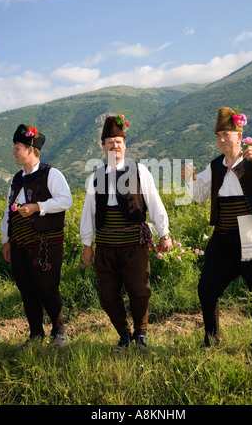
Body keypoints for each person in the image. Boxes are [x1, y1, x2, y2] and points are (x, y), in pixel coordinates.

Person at [182, 107, 252, 360]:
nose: (222, 139)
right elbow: (199, 196)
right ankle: (211, 338)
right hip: (224, 235)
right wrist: (189, 179)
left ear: (239, 135)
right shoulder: (215, 167)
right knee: (207, 288)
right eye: (218, 135)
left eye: (227, 134)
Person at [80, 114, 172, 350]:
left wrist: (164, 232)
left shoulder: (139, 171)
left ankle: (141, 334)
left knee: (140, 290)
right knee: (108, 294)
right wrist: (87, 246)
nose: (114, 145)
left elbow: (154, 202)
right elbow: (88, 213)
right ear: (103, 146)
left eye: (118, 141)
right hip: (106, 245)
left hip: (134, 242)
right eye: (110, 141)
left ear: (125, 145)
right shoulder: (95, 177)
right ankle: (123, 334)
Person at [1, 124, 73, 348]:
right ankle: (35, 334)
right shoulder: (17, 179)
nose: (13, 152)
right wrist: (7, 239)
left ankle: (59, 332)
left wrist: (37, 207)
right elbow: (8, 210)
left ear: (31, 150)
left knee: (46, 287)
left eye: (17, 147)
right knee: (26, 289)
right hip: (20, 243)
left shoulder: (51, 174)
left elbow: (65, 200)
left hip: (45, 243)